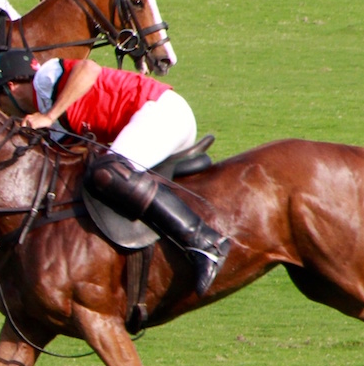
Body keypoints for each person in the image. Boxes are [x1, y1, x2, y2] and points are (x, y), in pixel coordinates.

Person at [21, 57, 230, 296]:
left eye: (0, 100)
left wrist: (49, 116)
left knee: (109, 172)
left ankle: (207, 243)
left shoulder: (45, 78)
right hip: (158, 120)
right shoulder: (50, 126)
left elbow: (89, 68)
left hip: (161, 112)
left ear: (12, 87)